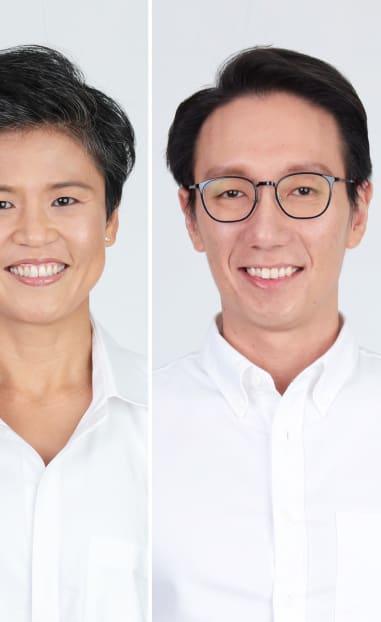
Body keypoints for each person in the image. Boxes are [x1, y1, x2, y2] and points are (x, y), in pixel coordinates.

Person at [153, 47, 381, 622]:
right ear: (190, 217)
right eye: (232, 192)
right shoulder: (133, 427)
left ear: (358, 211)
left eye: (303, 189)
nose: (265, 231)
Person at [0, 45, 147, 621]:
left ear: (110, 221)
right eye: (1, 203)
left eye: (64, 200)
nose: (34, 234)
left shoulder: (179, 430)